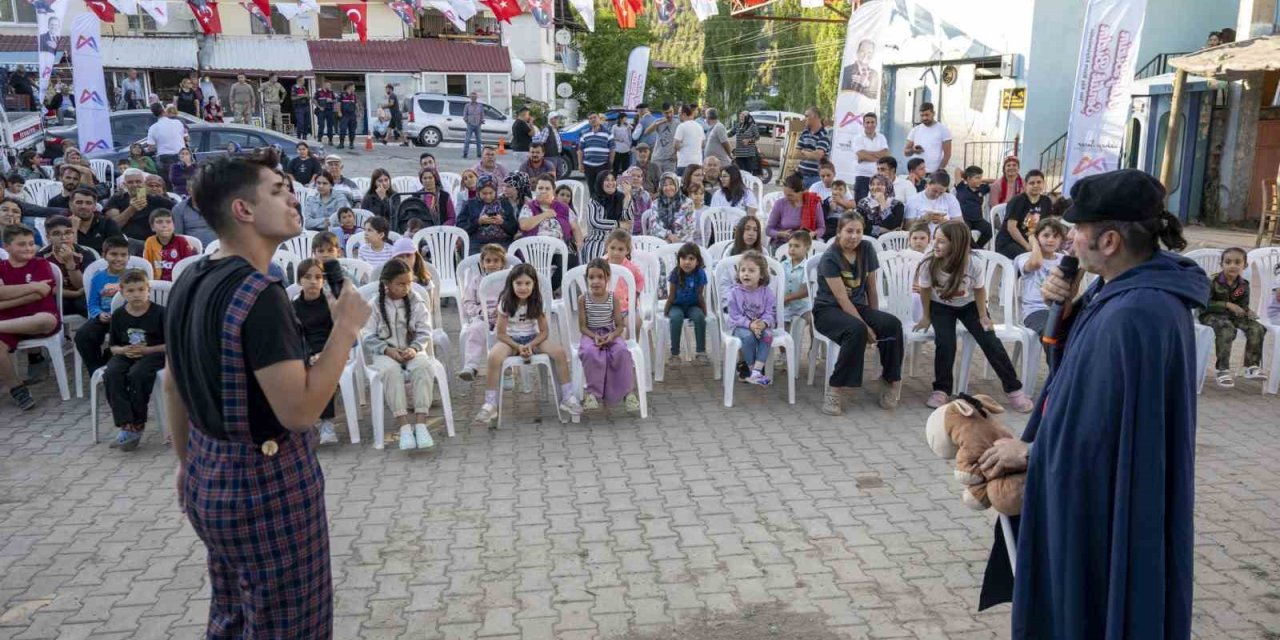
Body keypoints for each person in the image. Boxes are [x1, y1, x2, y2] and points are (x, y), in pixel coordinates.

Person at [974, 170, 1202, 638]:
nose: (1071, 240)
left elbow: (1101, 431)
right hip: (1099, 487)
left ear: (1111, 240)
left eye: (1079, 230)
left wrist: (1031, 451)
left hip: (1103, 499)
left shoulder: (1137, 311)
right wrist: (1070, 311)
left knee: (1087, 606)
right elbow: (1083, 377)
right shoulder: (1122, 290)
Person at [164, 149, 372, 637]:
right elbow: (300, 411)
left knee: (233, 618)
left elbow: (172, 384)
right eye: (278, 191)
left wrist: (186, 462)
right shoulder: (261, 295)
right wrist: (344, 329)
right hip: (266, 490)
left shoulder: (189, 278)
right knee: (290, 625)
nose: (293, 198)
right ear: (244, 210)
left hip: (209, 480)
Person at [914, 220, 1033, 410]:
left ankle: (1014, 390)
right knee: (945, 343)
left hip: (970, 306)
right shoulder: (928, 262)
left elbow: (979, 291)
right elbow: (925, 291)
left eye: (941, 241)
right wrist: (926, 316)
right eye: (934, 239)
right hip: (940, 307)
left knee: (990, 340)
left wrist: (983, 316)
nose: (935, 245)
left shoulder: (973, 263)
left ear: (957, 244)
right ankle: (941, 390)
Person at [811, 212, 902, 415]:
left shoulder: (867, 248)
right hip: (828, 310)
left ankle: (889, 380)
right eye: (849, 231)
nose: (854, 236)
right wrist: (867, 327)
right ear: (839, 232)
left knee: (891, 324)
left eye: (859, 231)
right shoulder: (830, 257)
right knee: (857, 329)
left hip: (858, 307)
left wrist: (875, 319)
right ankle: (835, 389)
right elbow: (842, 298)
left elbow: (871, 288)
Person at [473, 264, 582, 424]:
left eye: (527, 283)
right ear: (511, 284)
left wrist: (530, 345)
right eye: (518, 283)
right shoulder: (505, 302)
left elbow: (544, 332)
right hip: (510, 340)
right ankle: (490, 403)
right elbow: (501, 333)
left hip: (533, 337)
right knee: (493, 358)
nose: (523, 288)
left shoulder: (536, 301)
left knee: (559, 352)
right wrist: (518, 347)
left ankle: (567, 396)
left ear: (534, 285)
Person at [363, 257, 438, 450]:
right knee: (390, 372)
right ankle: (404, 426)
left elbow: (425, 330)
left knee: (423, 367)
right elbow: (367, 335)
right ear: (387, 284)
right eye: (400, 284)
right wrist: (387, 350)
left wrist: (414, 348)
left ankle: (421, 424)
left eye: (409, 283)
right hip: (385, 353)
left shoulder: (416, 301)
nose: (406, 288)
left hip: (412, 350)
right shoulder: (374, 305)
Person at [101, 269, 166, 451]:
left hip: (154, 353)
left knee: (137, 374)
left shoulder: (161, 313)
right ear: (122, 292)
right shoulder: (120, 315)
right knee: (112, 373)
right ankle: (126, 424)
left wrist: (146, 350)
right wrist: (124, 350)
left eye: (140, 289)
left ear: (148, 290)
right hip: (126, 353)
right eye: (130, 291)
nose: (136, 294)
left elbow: (171, 345)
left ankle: (137, 423)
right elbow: (113, 346)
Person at [0, 224, 61, 410]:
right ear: (7, 247)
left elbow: (42, 293)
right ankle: (17, 388)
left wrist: (8, 293)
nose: (28, 248)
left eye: (31, 243)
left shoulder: (41, 264)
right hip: (8, 321)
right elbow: (35, 291)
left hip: (38, 317)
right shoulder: (1, 267)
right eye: (21, 244)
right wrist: (33, 287)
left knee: (46, 320)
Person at [577, 257, 639, 411]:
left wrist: (611, 336)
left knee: (621, 351)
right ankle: (592, 394)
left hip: (611, 333)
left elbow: (620, 325)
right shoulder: (583, 299)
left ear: (607, 278)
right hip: (590, 334)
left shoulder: (613, 298)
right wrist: (594, 337)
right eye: (591, 277)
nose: (595, 281)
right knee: (590, 352)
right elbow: (582, 327)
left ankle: (628, 393)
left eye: (600, 277)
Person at [1200, 247, 1269, 386]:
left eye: (1237, 262)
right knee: (1226, 328)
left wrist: (1247, 311)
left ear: (1244, 265)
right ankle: (1222, 370)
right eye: (1228, 262)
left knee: (1257, 327)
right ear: (1222, 264)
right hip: (1210, 315)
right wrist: (1226, 304)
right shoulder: (1212, 281)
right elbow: (1204, 303)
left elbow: (1242, 305)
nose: (1232, 265)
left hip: (1233, 316)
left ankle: (1251, 367)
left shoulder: (1243, 285)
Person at [291, 259, 340, 444]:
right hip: (304, 353)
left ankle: (327, 423)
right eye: (307, 277)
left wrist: (324, 355)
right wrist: (307, 356)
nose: (313, 281)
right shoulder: (293, 308)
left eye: (318, 277)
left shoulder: (330, 305)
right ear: (299, 281)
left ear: (323, 281)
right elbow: (294, 337)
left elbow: (337, 334)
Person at [74, 235, 131, 377]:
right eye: (113, 254)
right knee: (83, 335)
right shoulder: (98, 277)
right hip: (105, 317)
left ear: (128, 257)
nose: (118, 258)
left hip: (128, 318)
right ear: (104, 255)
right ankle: (97, 371)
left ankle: (111, 356)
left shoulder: (134, 276)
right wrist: (99, 314)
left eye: (123, 255)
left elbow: (142, 300)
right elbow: (92, 304)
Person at [1014, 216, 1067, 360]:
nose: (1051, 240)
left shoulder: (1063, 260)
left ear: (1061, 240)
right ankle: (1057, 374)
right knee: (1051, 334)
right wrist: (1032, 240)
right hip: (1035, 311)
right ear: (1037, 238)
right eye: (1046, 235)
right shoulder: (1025, 259)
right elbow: (1037, 263)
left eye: (1055, 237)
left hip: (1059, 309)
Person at [457, 243, 508, 383]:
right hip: (482, 317)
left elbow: (515, 300)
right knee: (474, 331)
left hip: (503, 318)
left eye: (496, 260)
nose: (492, 264)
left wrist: (504, 312)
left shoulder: (508, 280)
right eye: (488, 261)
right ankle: (471, 366)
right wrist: (481, 311)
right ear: (482, 263)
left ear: (503, 263)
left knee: (504, 335)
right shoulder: (476, 280)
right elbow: (468, 302)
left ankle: (507, 371)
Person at [519, 175, 581, 288]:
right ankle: (544, 291)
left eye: (547, 189)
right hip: (536, 250)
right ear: (535, 190)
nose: (543, 191)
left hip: (559, 250)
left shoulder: (564, 208)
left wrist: (579, 244)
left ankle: (548, 289)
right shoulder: (528, 207)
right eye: (540, 188)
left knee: (572, 261)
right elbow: (524, 225)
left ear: (553, 192)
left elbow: (576, 228)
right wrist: (544, 215)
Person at [725, 251, 776, 386]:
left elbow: (770, 313)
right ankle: (752, 368)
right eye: (743, 270)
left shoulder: (767, 292)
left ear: (761, 275)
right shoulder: (734, 292)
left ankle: (756, 372)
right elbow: (734, 316)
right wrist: (750, 324)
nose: (746, 273)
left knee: (768, 335)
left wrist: (764, 323)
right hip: (741, 327)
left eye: (751, 270)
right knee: (748, 337)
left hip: (760, 325)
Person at [664, 242, 708, 364]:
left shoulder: (700, 274)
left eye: (691, 259)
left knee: (699, 317)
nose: (687, 262)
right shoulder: (675, 273)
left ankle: (701, 352)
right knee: (676, 318)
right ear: (679, 260)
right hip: (676, 305)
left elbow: (700, 294)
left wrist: (704, 311)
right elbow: (672, 295)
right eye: (683, 258)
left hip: (693, 305)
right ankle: (675, 354)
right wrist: (666, 310)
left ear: (697, 261)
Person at [35, 215, 87, 316]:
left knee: (83, 304)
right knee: (53, 305)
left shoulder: (85, 253)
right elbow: (47, 287)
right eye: (56, 234)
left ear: (73, 234)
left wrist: (69, 261)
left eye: (67, 233)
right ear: (48, 237)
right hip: (57, 295)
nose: (63, 238)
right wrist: (75, 294)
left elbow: (82, 285)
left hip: (82, 295)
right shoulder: (41, 256)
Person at [106, 169, 175, 242]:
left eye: (138, 181)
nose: (135, 185)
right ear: (124, 184)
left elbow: (177, 209)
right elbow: (112, 227)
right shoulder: (117, 199)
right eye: (130, 182)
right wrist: (131, 209)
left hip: (154, 241)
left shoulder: (154, 198)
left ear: (144, 183)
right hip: (126, 241)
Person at [994, 169, 1049, 260]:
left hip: (1032, 240)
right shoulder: (1017, 201)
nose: (1036, 185)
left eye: (1039, 182)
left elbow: (1046, 225)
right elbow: (1011, 228)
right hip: (1009, 242)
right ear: (1025, 185)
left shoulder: (1046, 201)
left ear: (1043, 184)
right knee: (1031, 259)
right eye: (1032, 183)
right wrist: (1027, 246)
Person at [581, 172, 635, 261]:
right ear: (600, 183)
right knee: (597, 260)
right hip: (598, 240)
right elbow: (594, 222)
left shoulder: (621, 197)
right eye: (606, 180)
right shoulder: (594, 201)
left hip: (618, 241)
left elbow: (628, 220)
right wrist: (617, 224)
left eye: (613, 180)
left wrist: (628, 196)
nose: (610, 183)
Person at [767, 173, 825, 251]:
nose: (787, 198)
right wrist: (780, 234)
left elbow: (821, 228)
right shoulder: (780, 204)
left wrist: (814, 234)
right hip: (784, 243)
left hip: (805, 243)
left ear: (800, 192)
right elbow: (769, 230)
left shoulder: (813, 203)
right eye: (785, 194)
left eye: (790, 195)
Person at [458, 176, 518, 251]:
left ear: (495, 191)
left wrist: (502, 222)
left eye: (491, 193)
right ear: (478, 191)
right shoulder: (470, 204)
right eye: (484, 193)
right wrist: (478, 222)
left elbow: (514, 229)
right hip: (477, 243)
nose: (488, 197)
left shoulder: (504, 203)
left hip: (503, 242)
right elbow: (461, 226)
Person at [641, 173, 696, 245]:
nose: (668, 188)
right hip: (661, 241)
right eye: (665, 185)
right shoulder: (656, 203)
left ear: (677, 185)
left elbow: (690, 227)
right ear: (661, 187)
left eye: (671, 184)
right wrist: (668, 236)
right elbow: (654, 226)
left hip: (682, 243)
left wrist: (676, 239)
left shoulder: (688, 203)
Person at [143, 209, 197, 281]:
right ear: (152, 227)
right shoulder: (150, 242)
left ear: (174, 226)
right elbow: (147, 266)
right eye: (159, 222)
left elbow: (188, 265)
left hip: (177, 281)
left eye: (168, 222)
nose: (164, 225)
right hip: (157, 285)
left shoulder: (181, 241)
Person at [905, 170, 962, 235]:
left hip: (945, 237)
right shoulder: (914, 199)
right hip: (921, 238)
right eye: (934, 191)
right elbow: (907, 228)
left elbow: (960, 225)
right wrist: (923, 220)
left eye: (941, 193)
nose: (937, 195)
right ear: (927, 185)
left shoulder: (950, 199)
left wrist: (945, 222)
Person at [904, 102, 952, 173]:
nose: (924, 118)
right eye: (922, 115)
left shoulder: (943, 130)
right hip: (915, 173)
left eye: (927, 115)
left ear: (933, 113)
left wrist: (939, 171)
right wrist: (913, 150)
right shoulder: (915, 130)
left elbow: (947, 154)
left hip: (933, 172)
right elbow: (906, 152)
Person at [850, 113, 889, 201]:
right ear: (863, 124)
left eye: (872, 122)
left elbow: (886, 154)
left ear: (876, 123)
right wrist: (879, 157)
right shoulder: (857, 138)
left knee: (878, 205)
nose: (870, 125)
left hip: (879, 178)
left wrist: (866, 155)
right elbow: (861, 154)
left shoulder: (881, 137)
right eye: (867, 122)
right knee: (861, 206)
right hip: (862, 177)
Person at [145, 106, 188, 179]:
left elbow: (151, 148)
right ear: (164, 111)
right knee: (182, 180)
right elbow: (186, 138)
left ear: (154, 114)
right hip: (181, 155)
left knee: (167, 182)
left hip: (164, 157)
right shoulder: (178, 123)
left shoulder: (153, 128)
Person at [954, 166, 993, 247]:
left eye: (980, 177)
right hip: (964, 219)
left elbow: (997, 181)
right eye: (977, 178)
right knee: (965, 233)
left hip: (978, 219)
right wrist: (966, 175)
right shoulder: (961, 187)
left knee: (990, 230)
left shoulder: (982, 188)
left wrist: (982, 180)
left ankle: (977, 247)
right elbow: (957, 170)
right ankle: (976, 249)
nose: (980, 180)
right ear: (968, 179)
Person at [578, 114, 613, 197]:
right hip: (588, 166)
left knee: (602, 187)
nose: (593, 119)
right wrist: (580, 164)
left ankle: (603, 207)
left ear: (599, 119)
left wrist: (610, 164)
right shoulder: (584, 133)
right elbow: (580, 150)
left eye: (595, 117)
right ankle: (593, 206)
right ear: (589, 121)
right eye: (590, 118)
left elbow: (612, 149)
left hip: (603, 165)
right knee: (591, 188)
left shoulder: (608, 133)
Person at [781, 230, 812, 323]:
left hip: (803, 307)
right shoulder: (783, 265)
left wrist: (786, 298)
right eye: (790, 245)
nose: (792, 249)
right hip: (785, 307)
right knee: (781, 326)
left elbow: (805, 291)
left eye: (797, 246)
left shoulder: (807, 266)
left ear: (807, 248)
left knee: (812, 319)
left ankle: (813, 336)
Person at [796, 107, 830, 189]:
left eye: (807, 116)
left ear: (815, 117)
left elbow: (818, 156)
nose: (805, 118)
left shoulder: (824, 134)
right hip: (801, 175)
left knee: (812, 201)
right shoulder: (805, 132)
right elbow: (796, 153)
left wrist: (804, 152)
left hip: (815, 177)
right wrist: (812, 153)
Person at [645, 102, 678, 175]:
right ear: (663, 113)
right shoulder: (658, 121)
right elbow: (646, 132)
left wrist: (676, 154)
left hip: (670, 159)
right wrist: (656, 124)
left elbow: (680, 140)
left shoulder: (677, 123)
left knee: (669, 180)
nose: (669, 115)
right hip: (657, 158)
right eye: (666, 113)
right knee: (656, 181)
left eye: (671, 112)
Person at [674, 104, 706, 177]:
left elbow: (675, 145)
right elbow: (703, 144)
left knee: (683, 186)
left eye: (679, 113)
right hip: (698, 163)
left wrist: (682, 145)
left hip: (684, 163)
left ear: (684, 114)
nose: (678, 115)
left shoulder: (681, 126)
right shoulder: (699, 127)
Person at [728, 111, 761, 177]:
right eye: (740, 117)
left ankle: (747, 185)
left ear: (747, 117)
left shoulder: (752, 126)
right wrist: (722, 135)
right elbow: (730, 133)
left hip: (748, 153)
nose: (741, 118)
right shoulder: (737, 125)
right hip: (739, 153)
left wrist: (749, 140)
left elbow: (757, 137)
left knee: (747, 172)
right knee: (740, 171)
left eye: (743, 117)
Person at [462, 92, 486, 159]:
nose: (473, 98)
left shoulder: (480, 105)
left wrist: (481, 121)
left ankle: (479, 154)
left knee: (479, 140)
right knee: (467, 140)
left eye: (475, 97)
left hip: (478, 124)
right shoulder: (467, 105)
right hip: (470, 124)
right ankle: (465, 153)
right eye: (472, 97)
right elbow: (464, 114)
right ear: (470, 98)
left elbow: (482, 114)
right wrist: (466, 121)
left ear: (476, 98)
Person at [314, 81, 337, 145]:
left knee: (330, 126)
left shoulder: (331, 92)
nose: (329, 86)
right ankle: (319, 139)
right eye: (328, 85)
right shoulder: (318, 91)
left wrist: (331, 100)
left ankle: (330, 140)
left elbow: (335, 100)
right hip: (321, 111)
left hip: (329, 110)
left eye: (330, 85)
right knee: (321, 125)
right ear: (324, 85)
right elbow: (314, 100)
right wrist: (319, 107)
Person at [337, 84, 358, 150]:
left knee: (352, 130)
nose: (354, 88)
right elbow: (338, 103)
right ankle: (341, 144)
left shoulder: (354, 95)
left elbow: (356, 104)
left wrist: (358, 112)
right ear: (350, 87)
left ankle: (351, 144)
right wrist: (339, 112)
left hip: (352, 115)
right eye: (353, 87)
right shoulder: (342, 94)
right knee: (343, 129)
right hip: (344, 115)